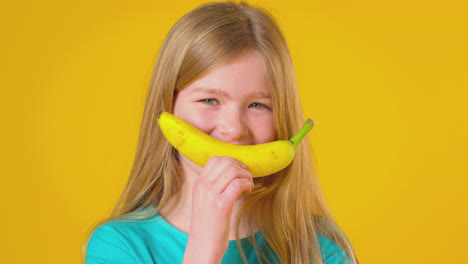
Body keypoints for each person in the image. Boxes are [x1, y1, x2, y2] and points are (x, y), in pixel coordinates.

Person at [82, 1, 359, 263]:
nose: (234, 129)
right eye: (209, 100)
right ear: (168, 106)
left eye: (258, 105)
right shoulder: (118, 246)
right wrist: (204, 249)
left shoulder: (320, 248)